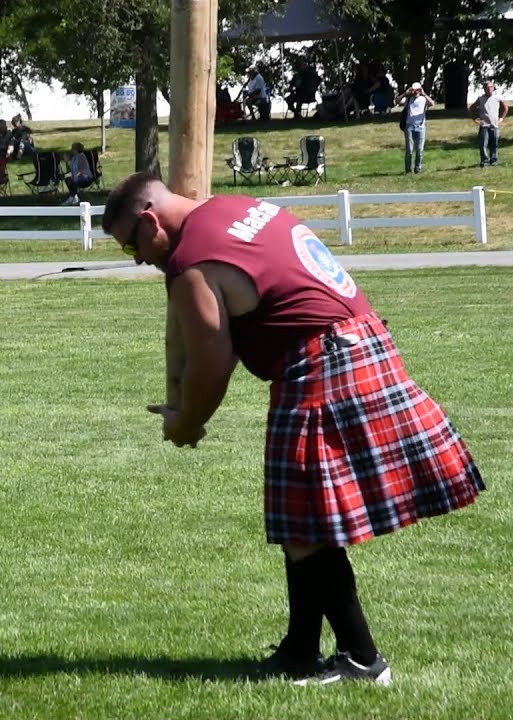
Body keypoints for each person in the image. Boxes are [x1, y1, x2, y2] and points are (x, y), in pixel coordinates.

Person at [100, 171, 484, 686]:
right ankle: (301, 650)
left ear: (150, 220)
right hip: (361, 341)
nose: (140, 259)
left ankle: (363, 662)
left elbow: (213, 364)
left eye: (133, 245)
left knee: (305, 530)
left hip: (323, 361)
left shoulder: (193, 259)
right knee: (299, 522)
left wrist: (186, 423)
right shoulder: (235, 207)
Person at [397, 82, 433, 174]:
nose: (416, 92)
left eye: (417, 90)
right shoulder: (408, 99)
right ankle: (408, 170)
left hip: (421, 126)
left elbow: (431, 103)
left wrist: (424, 94)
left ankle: (418, 168)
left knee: (419, 150)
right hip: (409, 126)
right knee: (409, 149)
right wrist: (405, 93)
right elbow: (397, 101)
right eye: (414, 90)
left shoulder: (423, 99)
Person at [469, 80, 507, 167]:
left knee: (494, 144)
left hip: (494, 125)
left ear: (493, 88)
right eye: (487, 87)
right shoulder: (481, 99)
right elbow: (471, 108)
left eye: (490, 87)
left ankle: (494, 160)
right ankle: (484, 161)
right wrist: (476, 120)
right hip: (484, 125)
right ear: (484, 89)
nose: (489, 89)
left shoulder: (497, 98)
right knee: (483, 144)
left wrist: (501, 119)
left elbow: (505, 108)